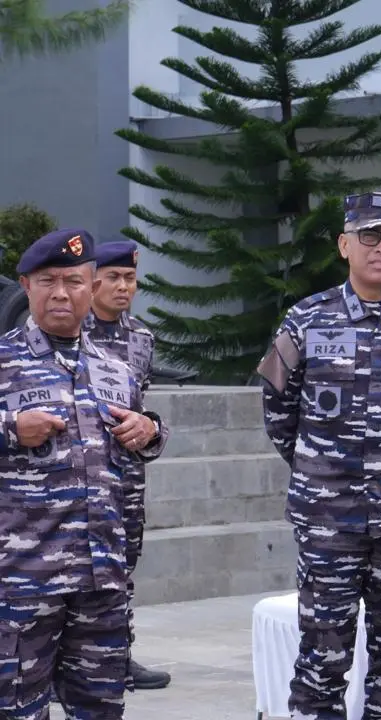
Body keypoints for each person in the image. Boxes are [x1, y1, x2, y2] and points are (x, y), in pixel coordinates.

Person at [256, 192, 381, 720]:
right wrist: (323, 472)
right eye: (369, 236)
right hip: (329, 520)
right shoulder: (307, 319)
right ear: (345, 244)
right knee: (322, 658)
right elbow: (280, 414)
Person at [0, 229, 167, 719]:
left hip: (101, 578)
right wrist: (11, 428)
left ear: (90, 284)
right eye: (47, 281)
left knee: (100, 708)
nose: (61, 293)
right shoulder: (4, 362)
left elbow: (141, 438)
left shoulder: (115, 366)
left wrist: (150, 430)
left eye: (73, 281)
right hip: (24, 578)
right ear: (25, 285)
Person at [82, 239, 171, 691]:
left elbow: (140, 402)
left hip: (125, 473)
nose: (122, 287)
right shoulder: (70, 331)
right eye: (113, 277)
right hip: (77, 473)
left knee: (122, 566)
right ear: (93, 280)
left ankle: (117, 655)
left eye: (130, 279)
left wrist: (147, 428)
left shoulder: (142, 338)